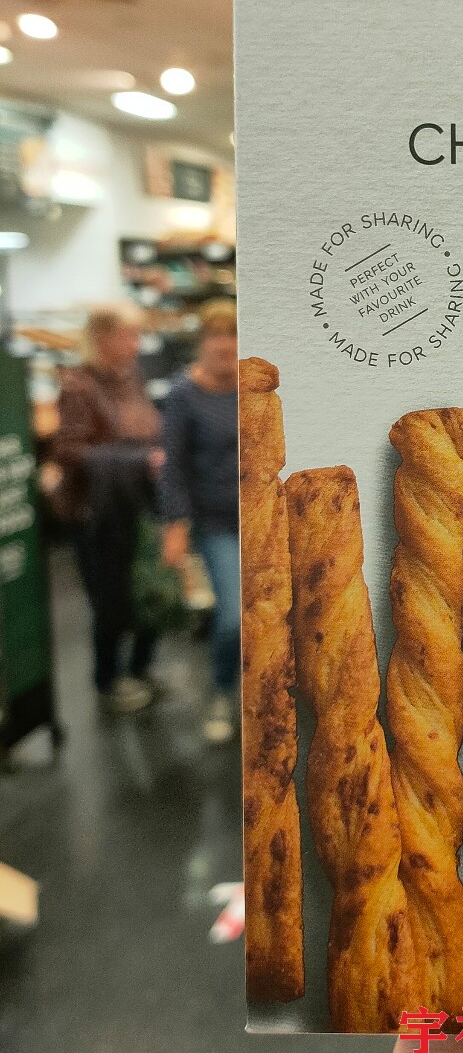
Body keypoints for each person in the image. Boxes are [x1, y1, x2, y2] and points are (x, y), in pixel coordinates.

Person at [52, 302, 163, 713]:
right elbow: (67, 451)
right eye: (129, 335)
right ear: (103, 338)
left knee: (148, 586)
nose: (136, 343)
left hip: (135, 504)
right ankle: (109, 680)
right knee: (110, 597)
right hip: (96, 513)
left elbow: (147, 427)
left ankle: (140, 668)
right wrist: (138, 460)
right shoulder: (78, 386)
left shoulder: (131, 377)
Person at [159, 299, 240, 745]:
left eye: (232, 333)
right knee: (232, 619)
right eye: (215, 335)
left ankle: (266, 699)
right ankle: (222, 692)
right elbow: (172, 466)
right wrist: (176, 524)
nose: (224, 344)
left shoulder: (254, 385)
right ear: (201, 342)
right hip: (216, 523)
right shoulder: (182, 394)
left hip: (264, 521)